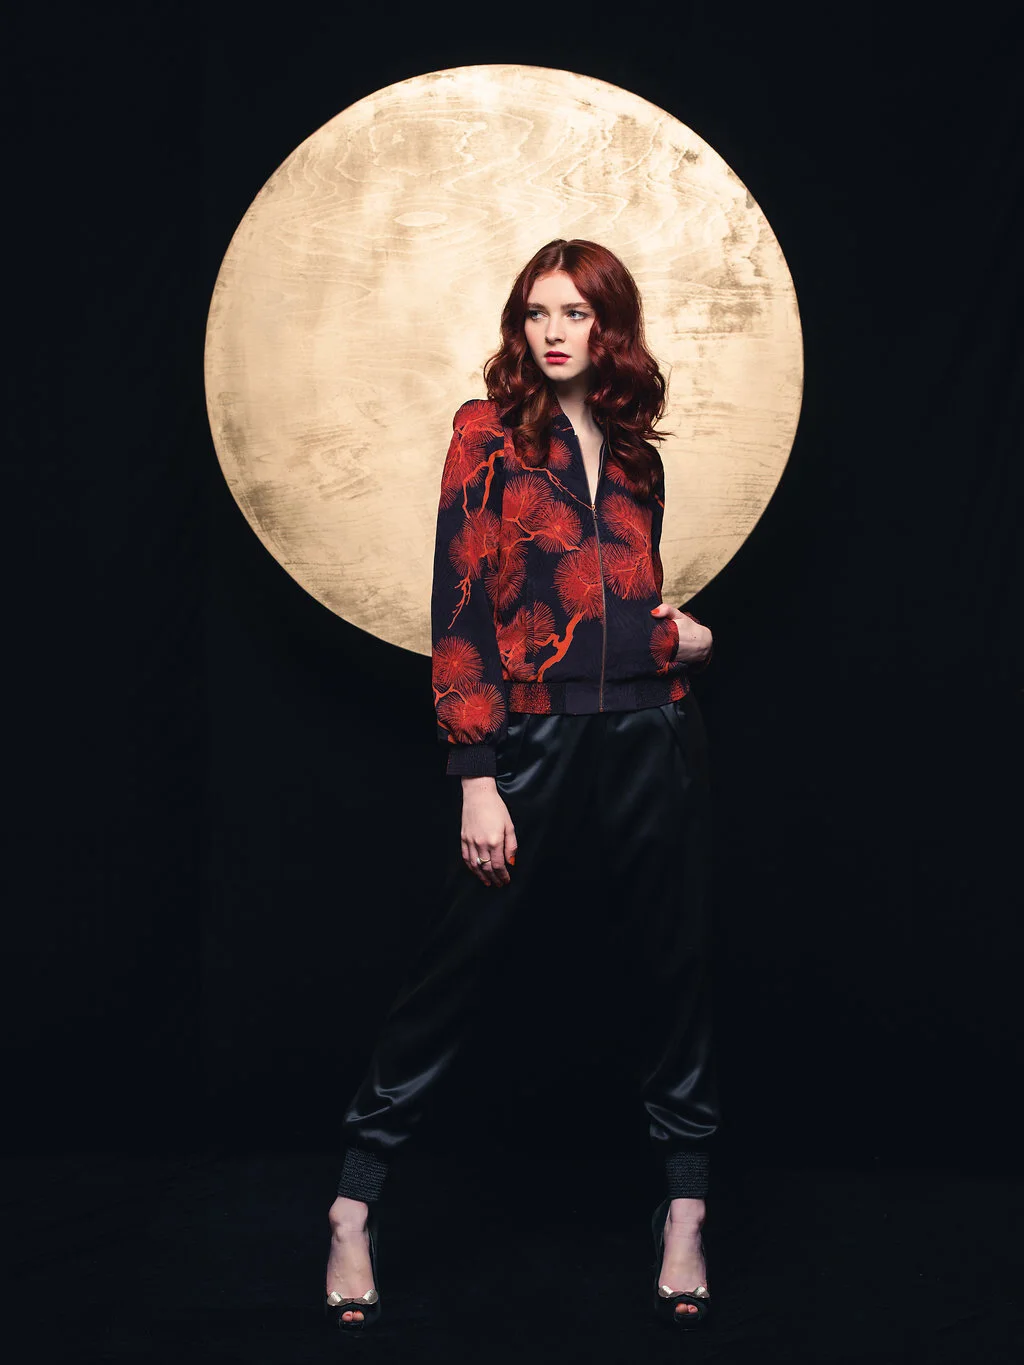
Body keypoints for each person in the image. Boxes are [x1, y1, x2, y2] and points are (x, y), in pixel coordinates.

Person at [324, 239, 720, 1332]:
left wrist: (685, 639)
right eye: (537, 312)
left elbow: (628, 600)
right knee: (454, 968)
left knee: (673, 967)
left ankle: (686, 1207)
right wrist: (475, 775)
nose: (553, 332)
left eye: (575, 313)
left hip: (651, 730)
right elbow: (459, 607)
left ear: (608, 328)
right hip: (529, 740)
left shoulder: (635, 451)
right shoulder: (484, 435)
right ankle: (354, 1204)